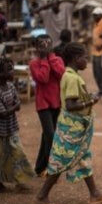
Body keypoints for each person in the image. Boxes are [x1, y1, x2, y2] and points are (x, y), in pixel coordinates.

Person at [29, 42, 102, 204]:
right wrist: (90, 101)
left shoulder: (71, 75)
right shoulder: (71, 77)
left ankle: (95, 193)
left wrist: (86, 97)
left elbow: (75, 100)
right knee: (61, 159)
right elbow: (70, 105)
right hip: (71, 126)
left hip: (76, 126)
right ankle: (41, 197)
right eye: (84, 57)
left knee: (83, 156)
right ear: (76, 59)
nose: (86, 60)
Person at [0, 58, 35, 193]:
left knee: (17, 152)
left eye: (12, 68)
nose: (12, 71)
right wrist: (14, 107)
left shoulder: (10, 86)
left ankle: (20, 182)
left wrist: (14, 107)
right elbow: (3, 113)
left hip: (11, 127)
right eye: (9, 69)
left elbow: (16, 104)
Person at [29, 34, 65, 177]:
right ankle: (52, 167)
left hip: (56, 102)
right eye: (42, 45)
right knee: (50, 135)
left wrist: (49, 58)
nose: (45, 47)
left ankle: (39, 167)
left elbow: (60, 73)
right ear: (37, 48)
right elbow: (43, 78)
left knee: (47, 135)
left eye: (48, 44)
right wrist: (44, 59)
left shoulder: (57, 60)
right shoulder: (34, 63)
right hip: (43, 104)